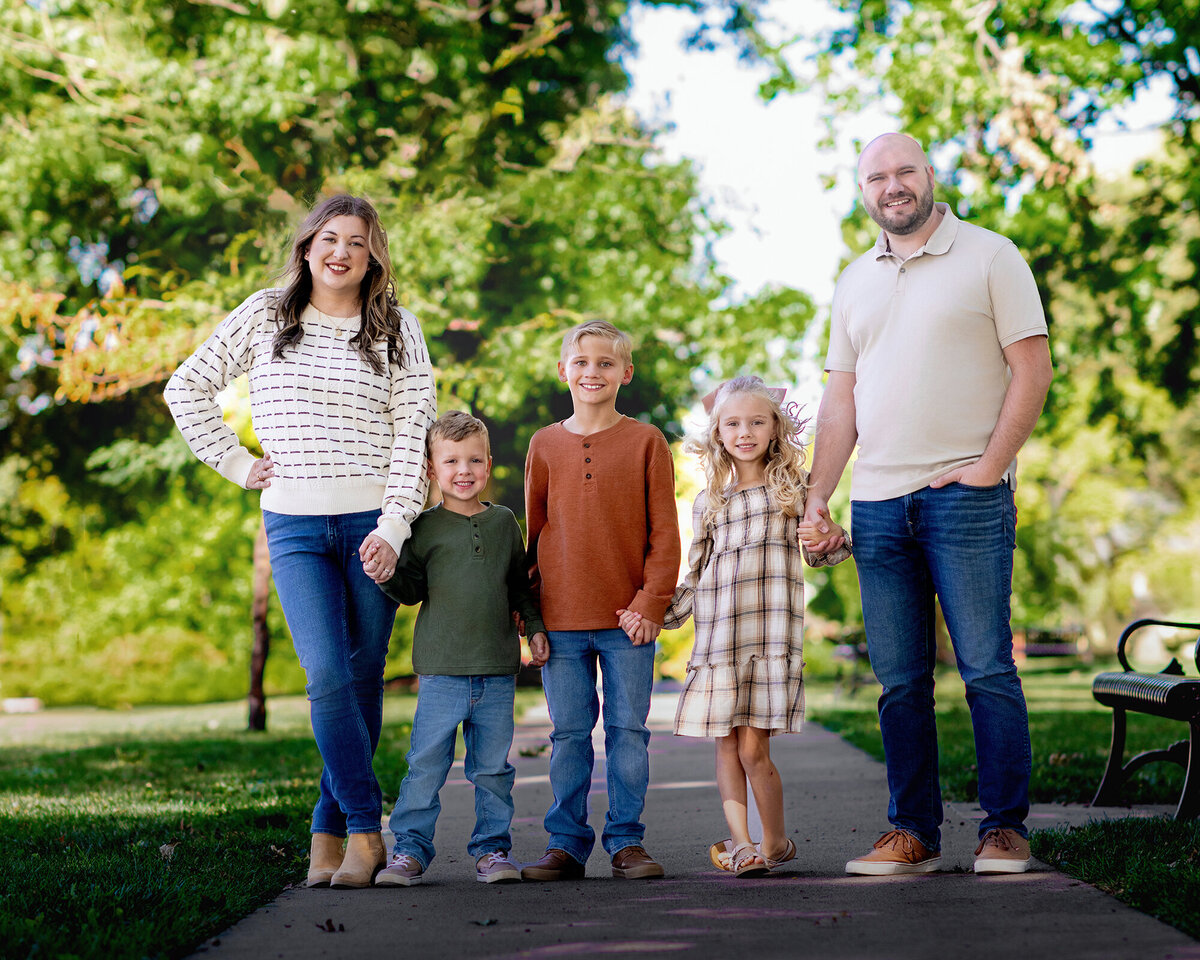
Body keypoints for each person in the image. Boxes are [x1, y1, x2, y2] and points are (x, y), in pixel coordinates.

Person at [164, 195, 437, 889]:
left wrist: (395, 526)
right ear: (308, 244)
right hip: (293, 523)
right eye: (330, 237)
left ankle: (327, 834)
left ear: (374, 255)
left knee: (365, 675)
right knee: (326, 675)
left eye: (358, 241)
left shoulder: (398, 330)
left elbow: (414, 434)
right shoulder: (265, 313)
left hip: (374, 523)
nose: (341, 251)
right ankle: (366, 828)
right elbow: (186, 387)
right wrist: (235, 463)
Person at [803, 133, 1053, 876]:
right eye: (876, 176)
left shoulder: (991, 255)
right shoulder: (854, 280)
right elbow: (840, 398)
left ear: (929, 175)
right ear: (865, 192)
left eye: (905, 170)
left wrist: (989, 469)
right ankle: (912, 832)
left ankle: (1003, 829)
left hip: (963, 498)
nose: (893, 186)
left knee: (984, 669)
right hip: (878, 505)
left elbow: (1032, 368)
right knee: (900, 682)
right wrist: (819, 496)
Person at [624, 377, 851, 877]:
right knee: (727, 744)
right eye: (733, 423)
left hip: (768, 638)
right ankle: (741, 844)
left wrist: (831, 539)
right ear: (718, 433)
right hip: (719, 642)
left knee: (754, 748)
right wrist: (654, 611)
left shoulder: (795, 489)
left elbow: (821, 553)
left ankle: (775, 841)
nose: (744, 432)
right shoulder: (709, 502)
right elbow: (697, 573)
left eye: (756, 421)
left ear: (775, 429)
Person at [520, 320, 681, 881]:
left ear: (626, 373)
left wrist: (650, 603)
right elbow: (534, 537)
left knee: (628, 733)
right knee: (567, 734)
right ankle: (565, 844)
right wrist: (531, 619)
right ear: (564, 369)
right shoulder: (543, 444)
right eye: (582, 362)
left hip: (628, 621)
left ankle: (626, 842)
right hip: (561, 621)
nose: (593, 372)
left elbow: (665, 533)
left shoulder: (646, 441)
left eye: (606, 363)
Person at [374, 411, 549, 887]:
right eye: (450, 460)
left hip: (496, 670)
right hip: (441, 671)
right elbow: (409, 589)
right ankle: (409, 851)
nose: (463, 470)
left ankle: (492, 851)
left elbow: (518, 587)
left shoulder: (503, 524)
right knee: (425, 766)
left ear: (489, 465)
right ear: (431, 469)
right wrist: (385, 575)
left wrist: (533, 626)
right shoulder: (421, 528)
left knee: (493, 770)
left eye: (474, 459)